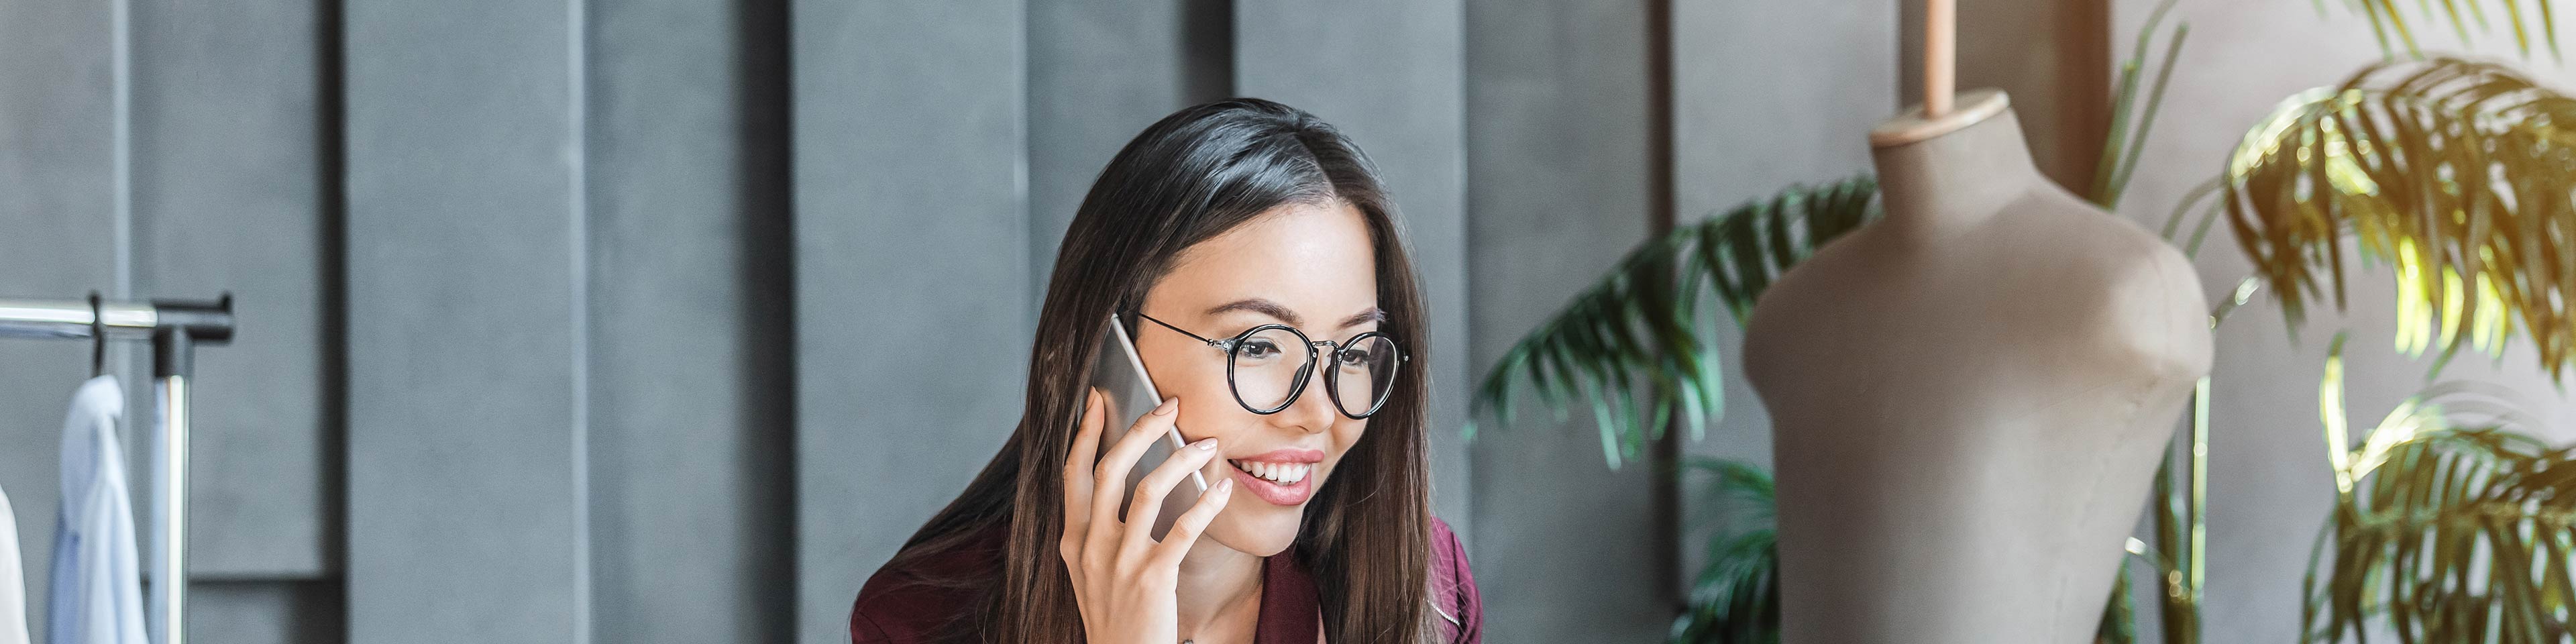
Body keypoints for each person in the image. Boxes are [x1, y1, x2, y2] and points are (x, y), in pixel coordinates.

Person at [849, 99, 1481, 644]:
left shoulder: (1426, 591)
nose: (1319, 412)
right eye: (1257, 347)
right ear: (1100, 353)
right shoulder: (923, 622)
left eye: (1352, 352)